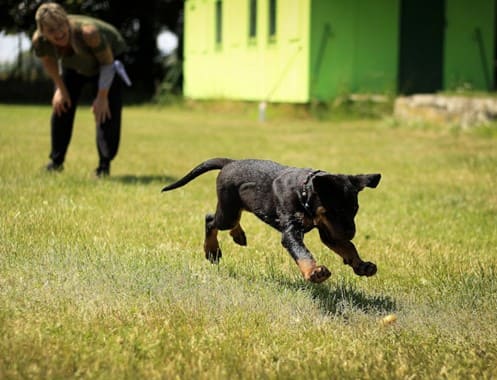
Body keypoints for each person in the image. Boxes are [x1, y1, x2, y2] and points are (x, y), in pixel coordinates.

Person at [32, 2, 130, 177]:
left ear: (67, 22)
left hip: (107, 61)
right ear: (43, 32)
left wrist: (101, 97)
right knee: (61, 106)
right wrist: (60, 89)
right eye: (51, 30)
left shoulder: (88, 33)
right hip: (74, 65)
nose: (59, 33)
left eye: (61, 26)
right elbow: (49, 61)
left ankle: (104, 166)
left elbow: (107, 64)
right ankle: (56, 162)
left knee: (105, 111)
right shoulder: (40, 41)